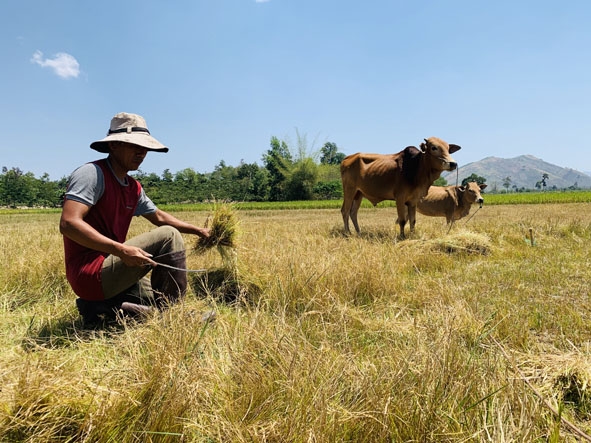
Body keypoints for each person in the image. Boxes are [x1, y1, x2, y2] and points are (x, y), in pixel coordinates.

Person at [60, 112, 210, 325]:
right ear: (114, 146)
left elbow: (158, 216)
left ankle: (100, 308)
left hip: (110, 267)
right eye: (135, 146)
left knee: (156, 300)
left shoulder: (133, 187)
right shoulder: (92, 173)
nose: (142, 153)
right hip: (90, 272)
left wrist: (199, 231)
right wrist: (121, 250)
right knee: (168, 236)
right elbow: (69, 223)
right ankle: (176, 320)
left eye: (145, 148)